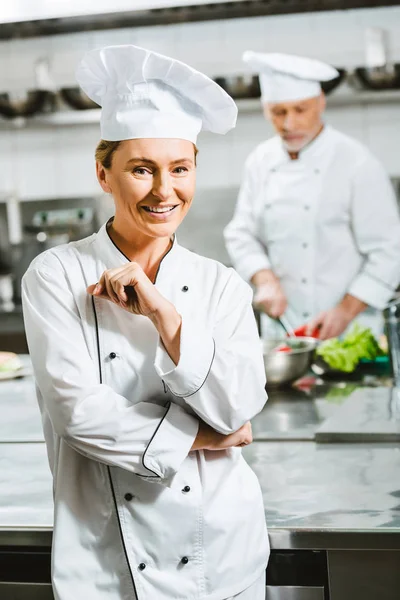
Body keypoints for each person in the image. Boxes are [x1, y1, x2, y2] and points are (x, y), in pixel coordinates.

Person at [21, 45, 269, 600]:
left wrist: (164, 313)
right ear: (103, 173)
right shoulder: (55, 276)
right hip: (109, 568)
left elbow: (239, 406)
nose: (164, 190)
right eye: (141, 169)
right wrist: (204, 436)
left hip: (226, 559)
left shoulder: (220, 285)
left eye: (180, 168)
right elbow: (79, 416)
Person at [224, 51, 400, 340]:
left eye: (300, 110)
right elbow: (241, 234)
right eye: (278, 112)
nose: (289, 124)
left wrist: (345, 311)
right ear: (265, 109)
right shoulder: (260, 161)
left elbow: (388, 251)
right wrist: (264, 278)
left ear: (321, 102)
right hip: (285, 332)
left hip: (350, 332)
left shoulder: (356, 163)